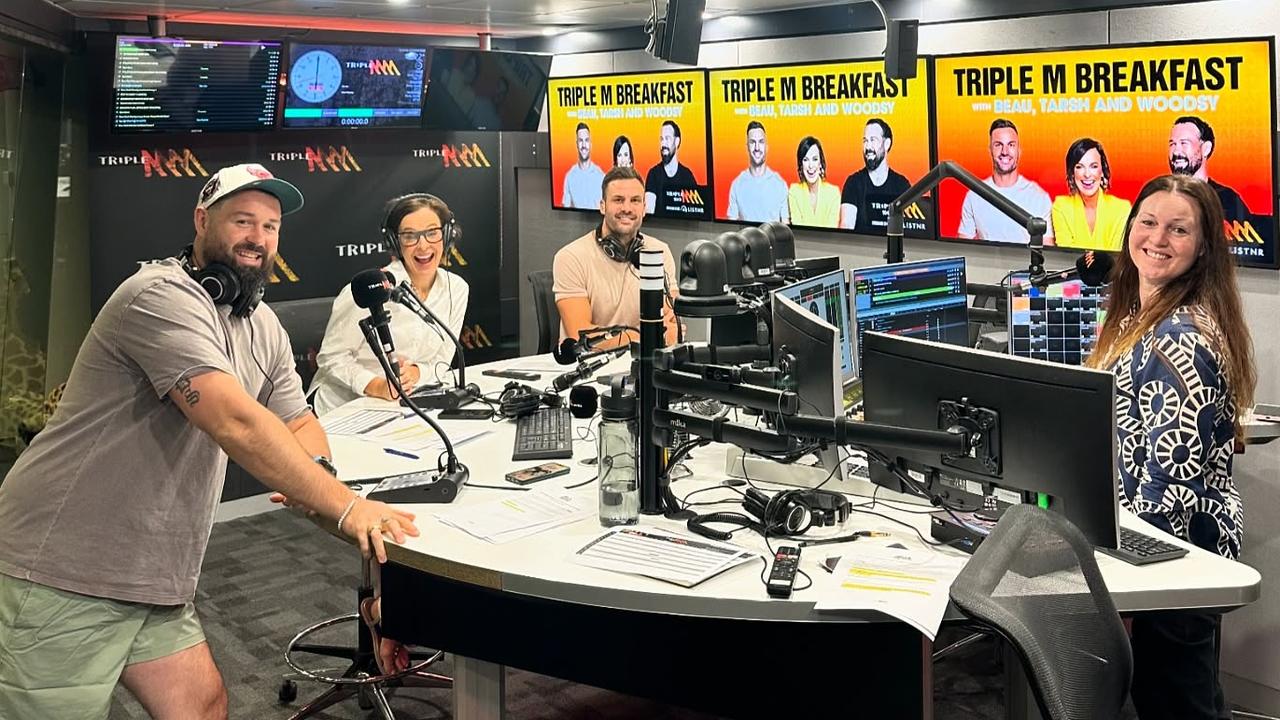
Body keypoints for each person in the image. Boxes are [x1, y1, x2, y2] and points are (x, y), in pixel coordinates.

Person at [0, 164, 418, 719]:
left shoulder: (260, 322)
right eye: (242, 221)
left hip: (153, 571)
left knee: (201, 705)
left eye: (270, 227)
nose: (258, 237)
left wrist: (313, 474)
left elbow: (296, 418)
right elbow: (233, 420)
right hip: (65, 568)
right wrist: (346, 507)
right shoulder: (159, 296)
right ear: (202, 221)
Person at [1086, 174, 1256, 720]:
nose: (1157, 239)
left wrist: (1117, 570)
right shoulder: (1146, 315)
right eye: (1149, 222)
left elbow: (1168, 484)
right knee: (1187, 696)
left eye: (1178, 230)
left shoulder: (1179, 337)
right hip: (1169, 557)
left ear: (1203, 245)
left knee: (1178, 704)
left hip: (1171, 561)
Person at [311, 193, 470, 416]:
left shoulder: (457, 288)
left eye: (432, 233)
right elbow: (331, 357)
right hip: (345, 408)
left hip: (406, 407)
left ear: (446, 236)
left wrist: (416, 373)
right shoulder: (371, 290)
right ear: (395, 242)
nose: (423, 246)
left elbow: (442, 359)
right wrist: (377, 385)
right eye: (409, 236)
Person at [554, 165, 679, 349]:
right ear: (602, 206)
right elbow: (582, 337)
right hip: (591, 367)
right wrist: (645, 336)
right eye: (618, 200)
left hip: (643, 366)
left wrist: (657, 334)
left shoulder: (658, 252)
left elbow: (672, 324)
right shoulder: (570, 258)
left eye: (635, 200)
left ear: (644, 208)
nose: (627, 208)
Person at [958, 118, 1054, 245]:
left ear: (1019, 151)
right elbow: (962, 247)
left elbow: (1047, 251)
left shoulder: (1039, 197)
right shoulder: (973, 196)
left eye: (1011, 145)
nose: (1005, 152)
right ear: (990, 150)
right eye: (998, 145)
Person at [1050, 138, 1132, 251]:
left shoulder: (1122, 208)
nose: (1087, 174)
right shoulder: (1061, 207)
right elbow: (1067, 255)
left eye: (1093, 166)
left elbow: (1115, 256)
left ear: (1102, 170)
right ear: (1072, 173)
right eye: (1079, 167)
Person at [1168, 115, 1251, 224]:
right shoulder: (1159, 196)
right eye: (1172, 144)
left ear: (1206, 148)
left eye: (1184, 143)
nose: (1176, 151)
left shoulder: (1227, 199)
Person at [839, 118, 911, 234]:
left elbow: (910, 228)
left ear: (887, 144)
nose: (868, 147)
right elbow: (846, 225)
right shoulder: (853, 183)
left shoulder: (902, 185)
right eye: (865, 141)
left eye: (873, 140)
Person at [726, 120, 788, 223]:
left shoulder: (780, 184)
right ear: (747, 147)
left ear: (767, 147)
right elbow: (731, 227)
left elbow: (786, 228)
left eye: (761, 142)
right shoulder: (737, 185)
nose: (757, 148)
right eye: (752, 142)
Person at [644, 120, 698, 214]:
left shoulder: (687, 176)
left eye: (667, 138)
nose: (663, 144)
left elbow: (694, 211)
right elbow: (649, 211)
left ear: (677, 142)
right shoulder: (653, 174)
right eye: (661, 139)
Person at [786, 135, 841, 228]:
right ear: (801, 165)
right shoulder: (794, 192)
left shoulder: (834, 193)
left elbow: (831, 231)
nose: (811, 166)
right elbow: (799, 230)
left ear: (820, 164)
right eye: (806, 160)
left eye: (815, 159)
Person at [562, 122, 604, 209]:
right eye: (581, 141)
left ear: (591, 144)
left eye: (587, 140)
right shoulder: (569, 177)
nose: (584, 145)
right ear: (576, 144)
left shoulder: (601, 176)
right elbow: (566, 209)